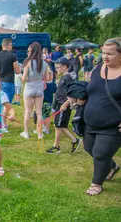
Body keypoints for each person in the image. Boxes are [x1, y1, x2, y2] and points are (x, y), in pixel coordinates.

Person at [82, 37, 121, 196]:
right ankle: (112, 166)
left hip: (113, 125)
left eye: (110, 54)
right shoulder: (98, 69)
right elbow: (92, 89)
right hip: (90, 123)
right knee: (89, 148)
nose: (105, 56)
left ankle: (97, 184)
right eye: (104, 52)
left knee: (100, 153)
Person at [46, 57, 80, 154]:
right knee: (60, 125)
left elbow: (72, 93)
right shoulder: (63, 77)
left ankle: (56, 147)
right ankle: (75, 141)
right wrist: (54, 106)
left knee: (58, 126)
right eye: (55, 67)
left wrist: (65, 104)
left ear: (65, 67)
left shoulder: (68, 78)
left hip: (64, 105)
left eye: (58, 67)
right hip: (59, 104)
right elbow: (58, 92)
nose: (56, 69)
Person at [20, 42, 51, 139]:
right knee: (39, 113)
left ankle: (26, 132)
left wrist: (20, 76)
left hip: (29, 88)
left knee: (27, 111)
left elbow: (24, 78)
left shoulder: (27, 62)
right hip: (39, 88)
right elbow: (47, 78)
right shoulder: (44, 63)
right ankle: (40, 133)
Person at [0, 38, 21, 132]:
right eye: (11, 45)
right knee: (6, 104)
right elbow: (18, 71)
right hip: (9, 82)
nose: (11, 47)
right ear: (8, 45)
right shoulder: (12, 56)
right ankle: (3, 124)